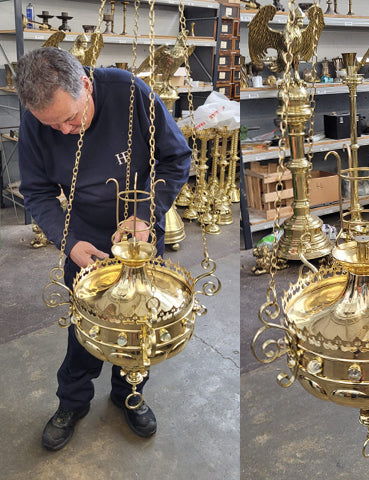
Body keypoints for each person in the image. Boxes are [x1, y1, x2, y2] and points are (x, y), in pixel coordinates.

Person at [16, 47, 191, 451]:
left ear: (87, 85)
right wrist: (69, 241)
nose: (65, 131)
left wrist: (146, 213)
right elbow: (37, 192)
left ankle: (129, 393)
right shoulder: (37, 122)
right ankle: (72, 403)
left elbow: (176, 159)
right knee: (86, 330)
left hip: (140, 234)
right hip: (84, 239)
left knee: (138, 329)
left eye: (71, 118)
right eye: (52, 125)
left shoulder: (131, 94)